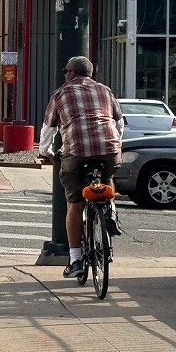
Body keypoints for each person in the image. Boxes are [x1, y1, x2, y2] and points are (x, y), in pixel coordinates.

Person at [39, 56, 124, 279]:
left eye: (65, 71)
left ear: (72, 73)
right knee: (107, 176)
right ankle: (110, 211)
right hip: (110, 150)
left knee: (74, 204)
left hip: (76, 153)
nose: (64, 74)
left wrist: (45, 152)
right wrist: (115, 143)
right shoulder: (105, 90)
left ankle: (75, 259)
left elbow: (49, 129)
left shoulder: (61, 93)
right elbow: (119, 123)